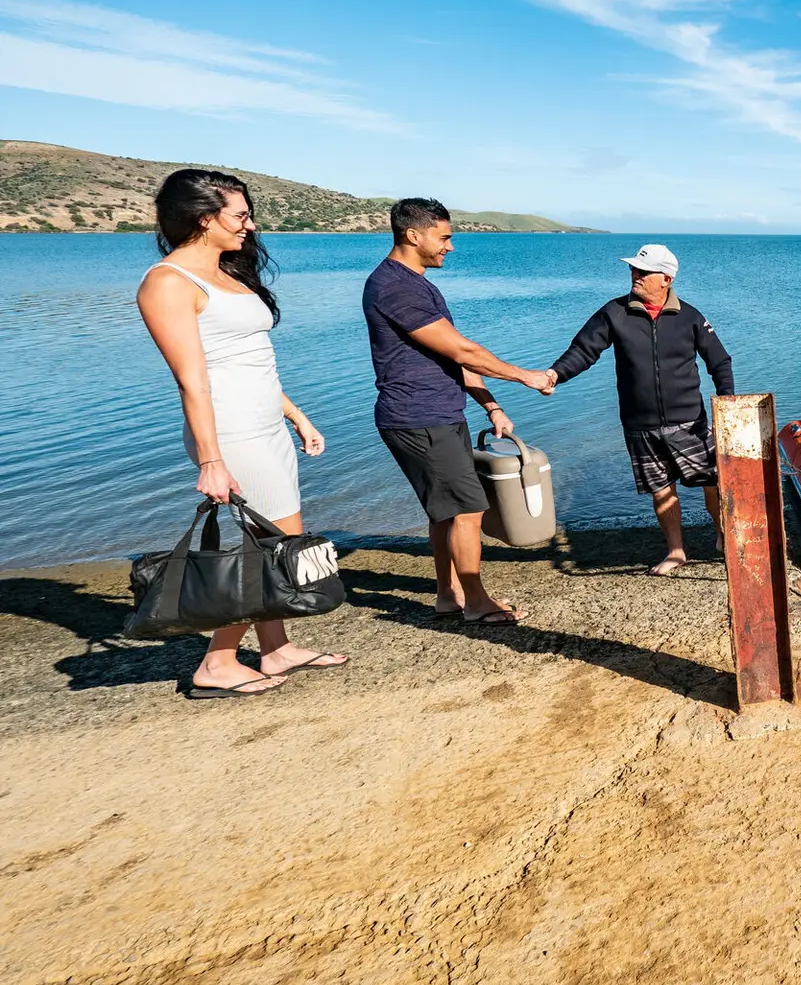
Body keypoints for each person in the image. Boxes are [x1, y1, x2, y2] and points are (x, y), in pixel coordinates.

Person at [136, 169, 346, 698]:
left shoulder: (226, 272)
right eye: (240, 216)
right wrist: (211, 459)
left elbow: (251, 361)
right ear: (204, 219)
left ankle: (275, 649)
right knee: (273, 546)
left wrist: (296, 415)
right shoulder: (168, 282)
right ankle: (217, 661)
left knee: (269, 541)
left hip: (265, 423)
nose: (250, 226)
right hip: (229, 432)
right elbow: (194, 381)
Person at [363, 198, 554, 624]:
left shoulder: (415, 283)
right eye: (444, 237)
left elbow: (455, 359)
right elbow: (464, 350)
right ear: (414, 235)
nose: (450, 247)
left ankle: (448, 595)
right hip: (420, 417)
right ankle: (476, 602)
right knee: (468, 510)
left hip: (432, 415)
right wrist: (526, 376)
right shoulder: (395, 287)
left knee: (445, 511)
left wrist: (491, 405)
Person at [547, 244, 733, 576]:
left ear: (666, 278)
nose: (635, 274)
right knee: (661, 491)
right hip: (639, 424)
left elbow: (719, 362)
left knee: (714, 483)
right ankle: (676, 552)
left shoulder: (690, 316)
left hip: (690, 422)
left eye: (643, 271)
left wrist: (727, 407)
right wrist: (555, 374)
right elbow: (583, 351)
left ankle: (725, 535)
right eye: (634, 269)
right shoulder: (614, 312)